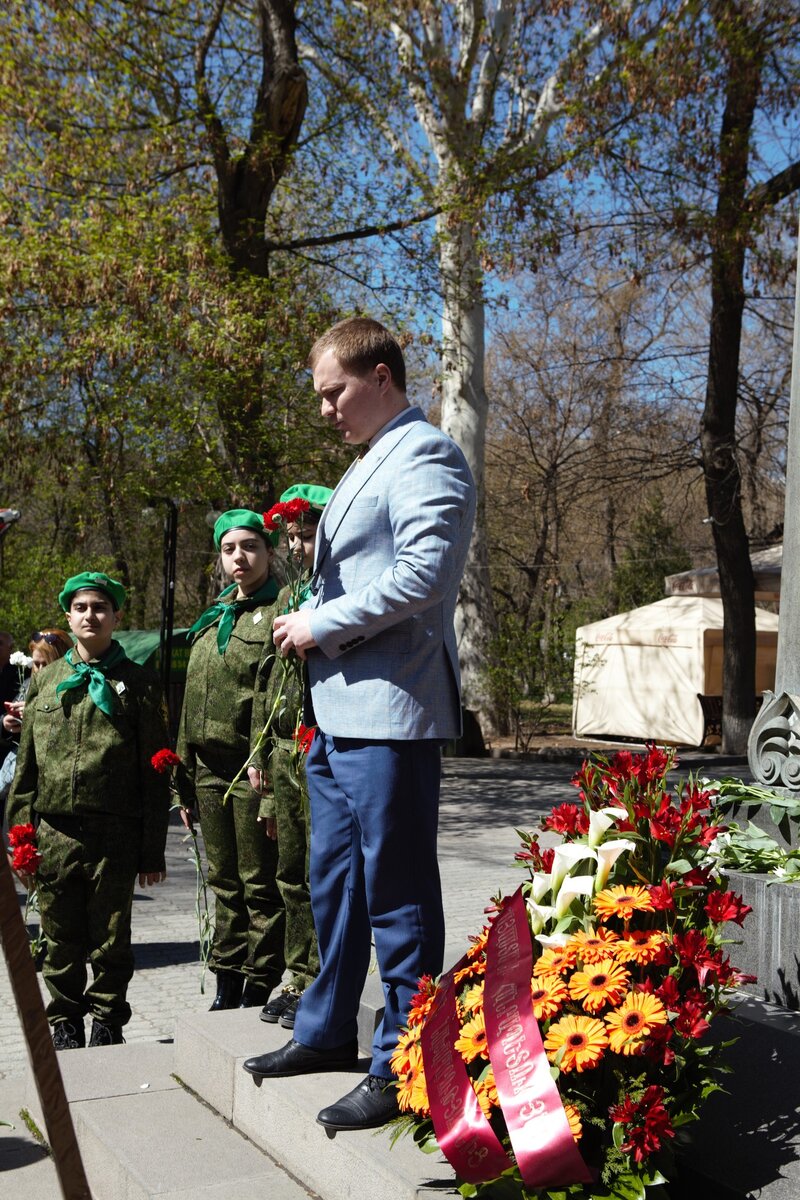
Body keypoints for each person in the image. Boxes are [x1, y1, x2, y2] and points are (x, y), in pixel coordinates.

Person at [243, 317, 476, 1132]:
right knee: (333, 883)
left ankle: (404, 1063)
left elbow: (425, 574)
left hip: (391, 710)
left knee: (397, 893)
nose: (325, 409)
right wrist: (311, 613)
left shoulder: (425, 454)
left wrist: (322, 623)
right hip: (339, 709)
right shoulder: (368, 460)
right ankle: (324, 1031)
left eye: (333, 392)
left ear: (381, 377)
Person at [6, 573, 171, 1049]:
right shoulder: (46, 681)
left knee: (111, 938)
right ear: (68, 616)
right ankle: (65, 1022)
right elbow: (27, 769)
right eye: (80, 608)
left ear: (116, 616)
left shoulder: (140, 683)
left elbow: (154, 771)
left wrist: (151, 850)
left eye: (100, 607)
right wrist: (21, 839)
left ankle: (107, 1022)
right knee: (59, 937)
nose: (90, 616)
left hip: (114, 834)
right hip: (54, 833)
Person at [176, 509, 286, 1011]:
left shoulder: (280, 611)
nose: (238, 557)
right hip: (206, 771)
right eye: (228, 549)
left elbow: (279, 700)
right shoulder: (214, 616)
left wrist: (271, 779)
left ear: (269, 551)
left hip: (251, 769)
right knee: (223, 881)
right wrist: (182, 778)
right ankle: (227, 978)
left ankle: (260, 981)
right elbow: (189, 700)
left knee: (258, 883)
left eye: (249, 546)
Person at [249, 483, 333, 1030]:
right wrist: (259, 753)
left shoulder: (337, 592)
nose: (299, 546)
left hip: (322, 748)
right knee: (289, 875)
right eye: (293, 537)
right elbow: (267, 683)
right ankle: (299, 974)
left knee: (321, 872)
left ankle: (325, 977)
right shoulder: (285, 598)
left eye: (308, 535)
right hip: (283, 753)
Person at [1, 629, 73, 808]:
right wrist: (8, 722)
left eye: (46, 664)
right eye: (36, 664)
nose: (40, 671)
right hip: (22, 782)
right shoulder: (27, 684)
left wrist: (37, 713)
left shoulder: (75, 689)